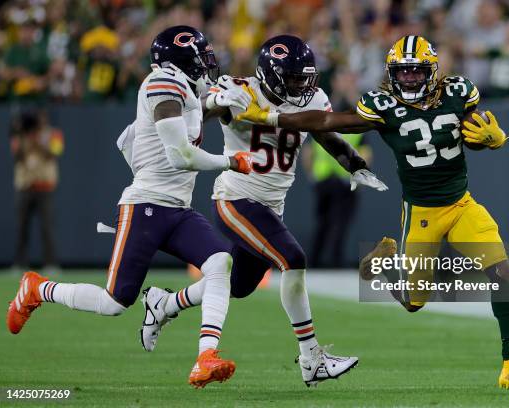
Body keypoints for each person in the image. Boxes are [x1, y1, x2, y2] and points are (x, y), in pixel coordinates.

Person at [237, 35, 509, 392]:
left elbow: (477, 129)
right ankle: (380, 267)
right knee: (414, 302)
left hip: (461, 204)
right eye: (403, 73)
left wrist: (496, 138)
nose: (410, 79)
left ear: (431, 70)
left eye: (416, 72)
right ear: (391, 73)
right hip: (422, 212)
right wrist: (272, 117)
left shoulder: (458, 91)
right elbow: (326, 122)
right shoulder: (382, 105)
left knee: (502, 271)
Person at [7, 25, 253, 389]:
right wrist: (230, 161)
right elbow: (181, 154)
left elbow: (174, 122)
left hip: (178, 208)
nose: (206, 64)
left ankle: (204, 356)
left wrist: (220, 101)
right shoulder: (162, 84)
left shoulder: (179, 88)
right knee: (114, 302)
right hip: (147, 207)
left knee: (221, 264)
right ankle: (37, 289)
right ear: (180, 60)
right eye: (200, 57)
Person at [143, 35, 388, 387]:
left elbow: (323, 131)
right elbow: (201, 110)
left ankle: (165, 304)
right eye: (292, 79)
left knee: (238, 285)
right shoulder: (241, 89)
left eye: (305, 78)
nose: (301, 86)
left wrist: (355, 163)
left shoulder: (314, 97)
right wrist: (215, 99)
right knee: (293, 259)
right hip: (236, 198)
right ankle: (311, 357)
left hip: (271, 206)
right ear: (270, 74)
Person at [304, 133, 372, 267]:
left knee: (323, 221)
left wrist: (312, 175)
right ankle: (335, 260)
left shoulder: (323, 127)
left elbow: (308, 153)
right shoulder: (356, 131)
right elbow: (366, 156)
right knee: (341, 222)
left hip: (323, 179)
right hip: (345, 182)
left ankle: (315, 260)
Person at [11, 110, 64, 273]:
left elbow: (56, 152)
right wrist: (22, 134)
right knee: (21, 227)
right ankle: (19, 264)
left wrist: (39, 140)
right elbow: (16, 155)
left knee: (47, 227)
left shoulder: (54, 134)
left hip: (45, 186)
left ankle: (51, 264)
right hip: (25, 186)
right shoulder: (21, 134)